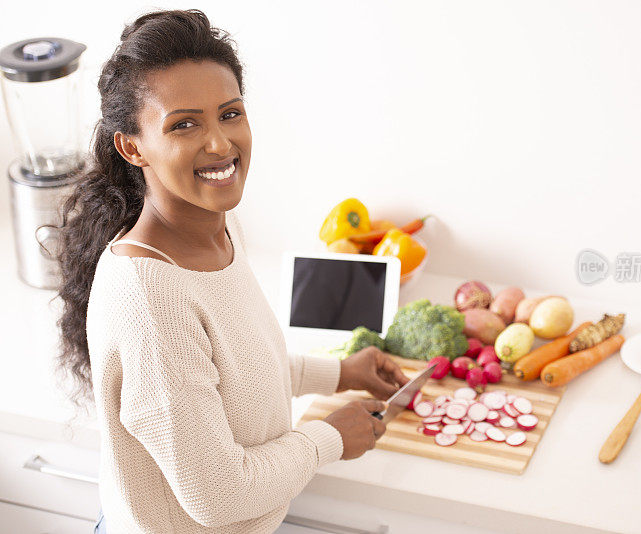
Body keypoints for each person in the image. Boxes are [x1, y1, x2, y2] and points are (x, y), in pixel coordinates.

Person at [53, 9, 409, 533]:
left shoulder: (218, 227)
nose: (220, 143)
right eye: (184, 124)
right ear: (132, 147)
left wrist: (341, 372)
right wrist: (330, 438)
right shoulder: (150, 300)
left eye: (230, 113)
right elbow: (220, 495)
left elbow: (238, 372)